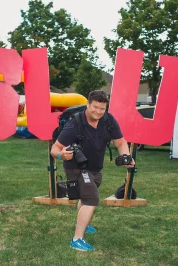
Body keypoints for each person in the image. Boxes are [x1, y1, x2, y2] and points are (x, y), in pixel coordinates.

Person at [50, 90, 134, 251]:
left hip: (95, 167)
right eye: (95, 107)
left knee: (85, 195)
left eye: (102, 108)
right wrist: (61, 156)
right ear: (88, 104)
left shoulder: (108, 120)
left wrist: (126, 156)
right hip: (76, 166)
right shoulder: (75, 123)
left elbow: (121, 142)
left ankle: (81, 221)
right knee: (91, 199)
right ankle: (77, 239)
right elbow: (55, 148)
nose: (98, 112)